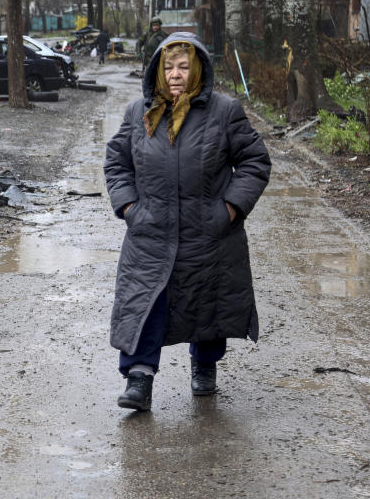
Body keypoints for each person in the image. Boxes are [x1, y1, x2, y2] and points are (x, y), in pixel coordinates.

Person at [103, 33, 271, 412]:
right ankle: (139, 379)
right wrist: (129, 206)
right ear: (158, 71)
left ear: (198, 69)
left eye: (183, 66)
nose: (175, 74)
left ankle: (204, 366)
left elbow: (254, 162)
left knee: (205, 300)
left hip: (207, 230)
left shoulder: (225, 112)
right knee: (146, 301)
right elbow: (117, 163)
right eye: (168, 67)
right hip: (151, 231)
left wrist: (229, 208)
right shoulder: (138, 113)